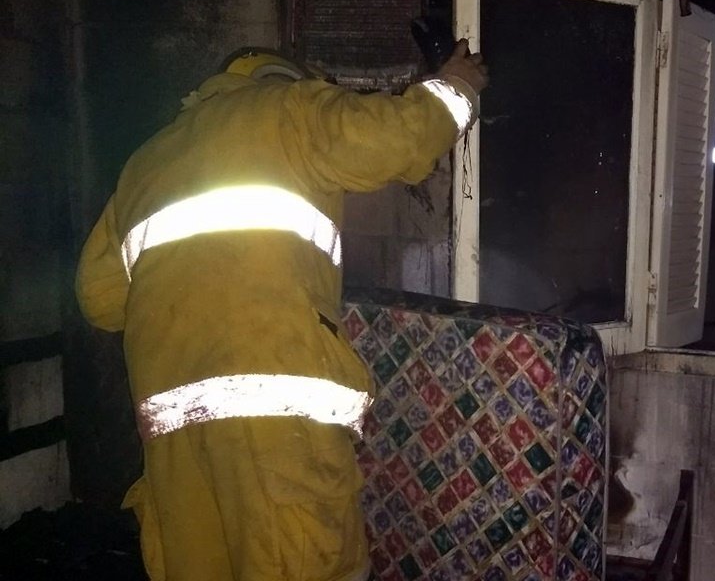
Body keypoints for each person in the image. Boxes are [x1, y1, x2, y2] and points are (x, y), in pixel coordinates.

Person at [76, 41, 488, 581]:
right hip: (274, 414)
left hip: (172, 425)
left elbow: (100, 298)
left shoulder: (145, 161)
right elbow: (393, 137)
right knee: (305, 560)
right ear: (280, 77)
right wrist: (457, 87)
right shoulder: (289, 108)